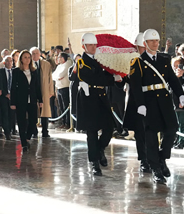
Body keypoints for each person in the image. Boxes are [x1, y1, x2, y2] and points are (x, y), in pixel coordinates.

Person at [129, 29, 184, 184]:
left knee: (172, 129)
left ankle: (162, 158)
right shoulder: (138, 62)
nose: (156, 43)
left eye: (157, 41)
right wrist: (140, 104)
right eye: (152, 41)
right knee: (151, 137)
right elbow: (135, 86)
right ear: (145, 44)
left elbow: (172, 79)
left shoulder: (163, 59)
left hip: (165, 101)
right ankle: (156, 170)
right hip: (148, 102)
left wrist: (180, 94)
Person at [74, 33, 121, 176]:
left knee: (109, 127)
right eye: (90, 45)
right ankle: (94, 162)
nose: (94, 47)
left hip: (101, 97)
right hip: (88, 99)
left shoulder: (101, 60)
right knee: (92, 132)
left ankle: (100, 149)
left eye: (95, 45)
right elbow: (94, 79)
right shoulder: (82, 62)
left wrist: (116, 75)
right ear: (84, 46)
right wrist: (111, 79)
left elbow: (105, 75)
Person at [123, 33, 150, 173]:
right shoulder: (134, 62)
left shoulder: (156, 60)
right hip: (137, 102)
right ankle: (144, 160)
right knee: (140, 132)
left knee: (151, 132)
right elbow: (132, 81)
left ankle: (154, 158)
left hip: (152, 100)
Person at [10, 50, 42, 152]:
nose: (27, 59)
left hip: (32, 99)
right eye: (25, 57)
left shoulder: (34, 71)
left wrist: (40, 99)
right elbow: (13, 87)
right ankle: (23, 142)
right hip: (21, 99)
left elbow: (37, 86)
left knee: (33, 121)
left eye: (29, 57)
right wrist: (13, 102)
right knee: (21, 121)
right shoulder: (16, 71)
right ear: (21, 59)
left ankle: (27, 138)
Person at [30, 47, 54, 138]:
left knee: (45, 112)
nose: (34, 55)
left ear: (39, 54)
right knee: (33, 111)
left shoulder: (46, 64)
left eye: (36, 53)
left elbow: (50, 79)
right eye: (32, 53)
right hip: (33, 91)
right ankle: (34, 131)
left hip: (44, 89)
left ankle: (45, 131)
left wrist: (51, 91)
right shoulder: (28, 64)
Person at [52, 52, 71, 130]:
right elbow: (53, 76)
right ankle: (63, 122)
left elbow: (60, 75)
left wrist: (57, 77)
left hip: (65, 88)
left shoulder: (67, 64)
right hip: (59, 88)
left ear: (63, 58)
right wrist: (57, 78)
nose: (57, 59)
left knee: (66, 106)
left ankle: (68, 123)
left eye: (59, 57)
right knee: (61, 107)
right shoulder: (59, 66)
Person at [0, 56, 14, 140]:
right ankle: (7, 132)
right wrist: (5, 93)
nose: (9, 63)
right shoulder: (1, 72)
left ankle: (11, 130)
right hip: (4, 96)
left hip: (13, 97)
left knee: (12, 114)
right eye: (7, 61)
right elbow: (0, 84)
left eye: (10, 61)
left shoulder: (15, 72)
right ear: (4, 63)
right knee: (5, 114)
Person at [171, 56, 184, 149]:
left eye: (178, 65)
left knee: (181, 124)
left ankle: (181, 142)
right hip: (174, 103)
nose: (176, 68)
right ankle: (177, 140)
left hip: (181, 104)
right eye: (174, 66)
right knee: (177, 124)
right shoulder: (172, 76)